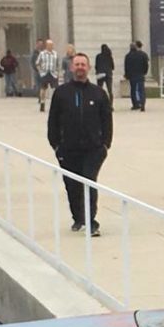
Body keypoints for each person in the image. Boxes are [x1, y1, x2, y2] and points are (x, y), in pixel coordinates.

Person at [47, 53, 112, 237]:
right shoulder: (61, 93)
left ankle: (91, 221)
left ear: (88, 68)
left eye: (83, 64)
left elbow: (107, 120)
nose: (80, 67)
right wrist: (55, 145)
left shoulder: (98, 93)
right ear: (71, 68)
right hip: (68, 149)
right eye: (77, 64)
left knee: (89, 182)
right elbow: (53, 121)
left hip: (93, 149)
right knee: (72, 185)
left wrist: (105, 144)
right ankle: (78, 217)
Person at [124, 41, 149, 111]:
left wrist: (127, 74)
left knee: (133, 90)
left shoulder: (128, 56)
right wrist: (144, 72)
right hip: (140, 74)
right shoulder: (143, 54)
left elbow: (126, 66)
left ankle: (135, 104)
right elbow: (146, 65)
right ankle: (142, 104)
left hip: (132, 75)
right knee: (141, 90)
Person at [35, 39, 59, 112]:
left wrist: (57, 72)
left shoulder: (55, 54)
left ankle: (55, 104)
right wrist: (40, 71)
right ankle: (42, 102)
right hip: (44, 73)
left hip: (53, 73)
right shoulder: (42, 53)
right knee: (43, 89)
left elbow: (57, 64)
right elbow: (37, 63)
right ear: (46, 45)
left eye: (51, 45)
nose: (50, 46)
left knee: (55, 89)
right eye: (49, 45)